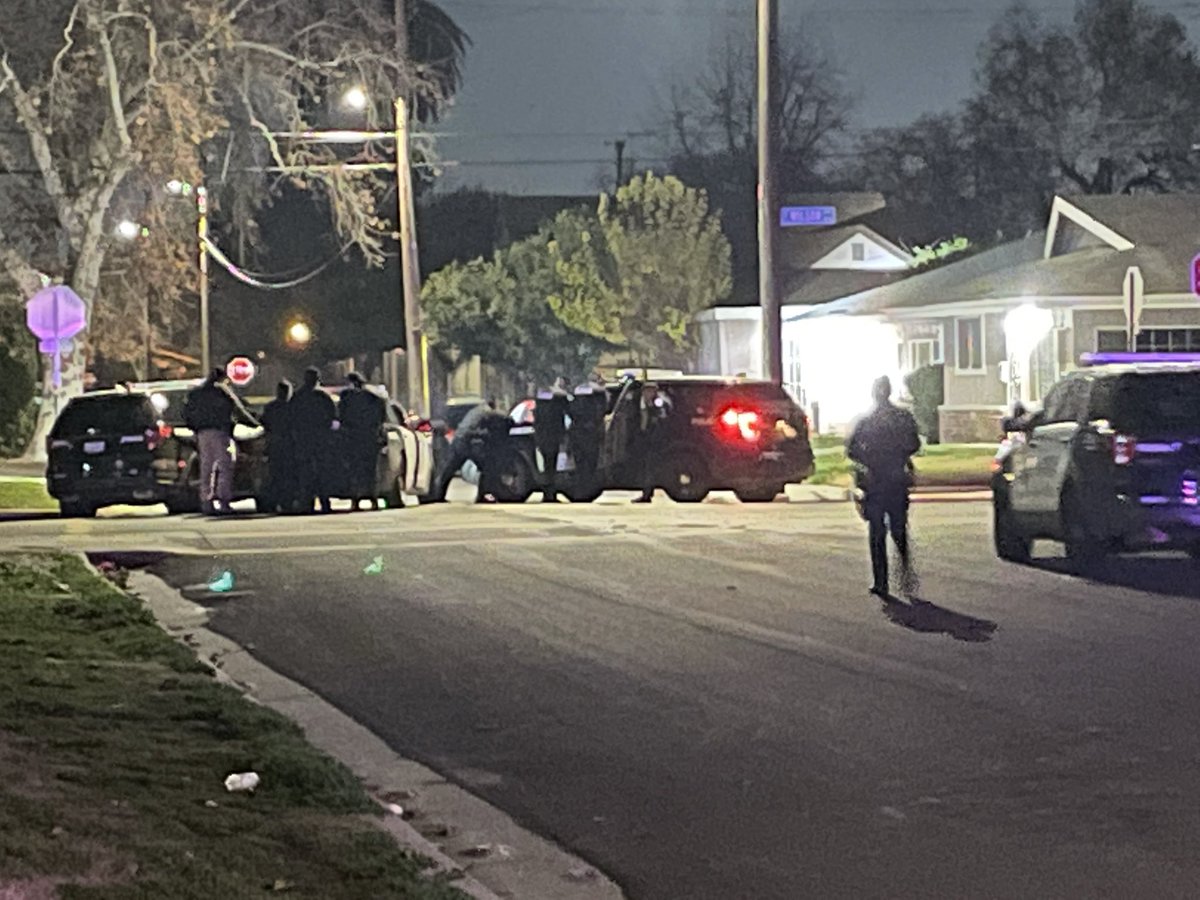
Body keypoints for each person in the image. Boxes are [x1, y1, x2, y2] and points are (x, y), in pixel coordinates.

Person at [846, 376, 922, 598]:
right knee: (899, 529)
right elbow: (915, 444)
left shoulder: (867, 420)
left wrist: (868, 460)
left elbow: (851, 450)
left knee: (877, 532)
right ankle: (905, 573)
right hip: (897, 478)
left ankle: (881, 582)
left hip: (876, 481)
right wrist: (901, 455)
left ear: (874, 393)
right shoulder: (903, 417)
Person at [183, 367, 258, 515]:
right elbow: (238, 410)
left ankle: (206, 501)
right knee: (225, 465)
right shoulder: (222, 391)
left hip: (202, 433)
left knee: (206, 467)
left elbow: (186, 412)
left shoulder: (196, 393)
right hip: (220, 432)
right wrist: (255, 422)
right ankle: (224, 500)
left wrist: (194, 428)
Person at [432, 401, 514, 503]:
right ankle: (483, 494)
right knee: (488, 468)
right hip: (469, 442)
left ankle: (437, 495)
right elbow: (505, 418)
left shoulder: (475, 411)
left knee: (449, 470)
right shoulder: (487, 411)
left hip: (458, 439)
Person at [289, 367, 336, 514]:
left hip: (304, 440)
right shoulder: (323, 397)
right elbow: (332, 416)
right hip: (320, 440)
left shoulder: (298, 397)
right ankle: (324, 502)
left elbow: (291, 418)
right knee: (322, 472)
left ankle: (306, 503)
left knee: (305, 473)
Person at [338, 373, 387, 511]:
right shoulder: (373, 397)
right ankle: (373, 500)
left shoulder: (347, 398)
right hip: (370, 439)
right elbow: (381, 415)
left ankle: (356, 500)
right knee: (370, 471)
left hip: (353, 440)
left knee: (355, 471)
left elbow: (341, 417)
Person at [259, 380, 295, 513]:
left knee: (275, 475)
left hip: (274, 444)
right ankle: (287, 502)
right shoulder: (292, 407)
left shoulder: (270, 407)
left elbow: (264, 423)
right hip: (289, 445)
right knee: (288, 475)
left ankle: (274, 502)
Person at [632, 382, 671, 503]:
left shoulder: (658, 402)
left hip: (655, 439)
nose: (648, 393)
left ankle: (647, 494)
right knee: (645, 466)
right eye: (646, 391)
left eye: (651, 391)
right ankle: (647, 492)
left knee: (650, 467)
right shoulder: (640, 402)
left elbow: (662, 416)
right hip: (644, 438)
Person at [534, 378, 570, 502]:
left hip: (543, 436)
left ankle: (547, 494)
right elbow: (568, 412)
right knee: (551, 466)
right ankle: (550, 494)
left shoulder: (540, 400)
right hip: (553, 436)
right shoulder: (559, 398)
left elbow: (536, 418)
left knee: (546, 465)